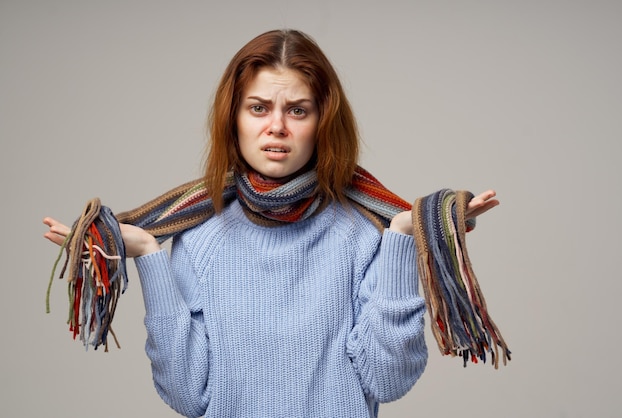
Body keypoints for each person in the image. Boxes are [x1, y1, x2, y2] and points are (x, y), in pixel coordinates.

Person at [43, 29, 499, 418]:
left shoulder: (364, 234)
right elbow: (186, 395)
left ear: (322, 121)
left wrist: (401, 237)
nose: (276, 126)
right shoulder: (199, 238)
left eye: (297, 110)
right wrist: (148, 256)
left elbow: (387, 380)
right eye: (258, 108)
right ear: (234, 119)